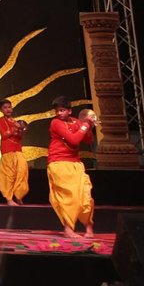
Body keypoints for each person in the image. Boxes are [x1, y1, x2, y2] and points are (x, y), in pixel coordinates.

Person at [47, 96, 96, 239]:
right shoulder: (56, 123)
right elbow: (74, 140)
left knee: (85, 196)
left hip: (76, 163)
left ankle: (89, 227)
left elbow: (88, 140)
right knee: (69, 197)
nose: (59, 113)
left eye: (62, 110)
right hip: (59, 163)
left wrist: (89, 126)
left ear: (69, 111)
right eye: (57, 111)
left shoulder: (76, 121)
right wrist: (85, 125)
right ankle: (68, 229)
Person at [0, 99, 30, 206]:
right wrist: (15, 128)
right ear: (1, 110)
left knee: (22, 171)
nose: (8, 109)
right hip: (7, 149)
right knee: (8, 174)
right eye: (5, 108)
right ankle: (9, 199)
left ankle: (18, 195)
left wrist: (21, 130)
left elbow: (19, 137)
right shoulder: (0, 120)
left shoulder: (15, 121)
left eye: (9, 107)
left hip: (17, 148)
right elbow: (4, 135)